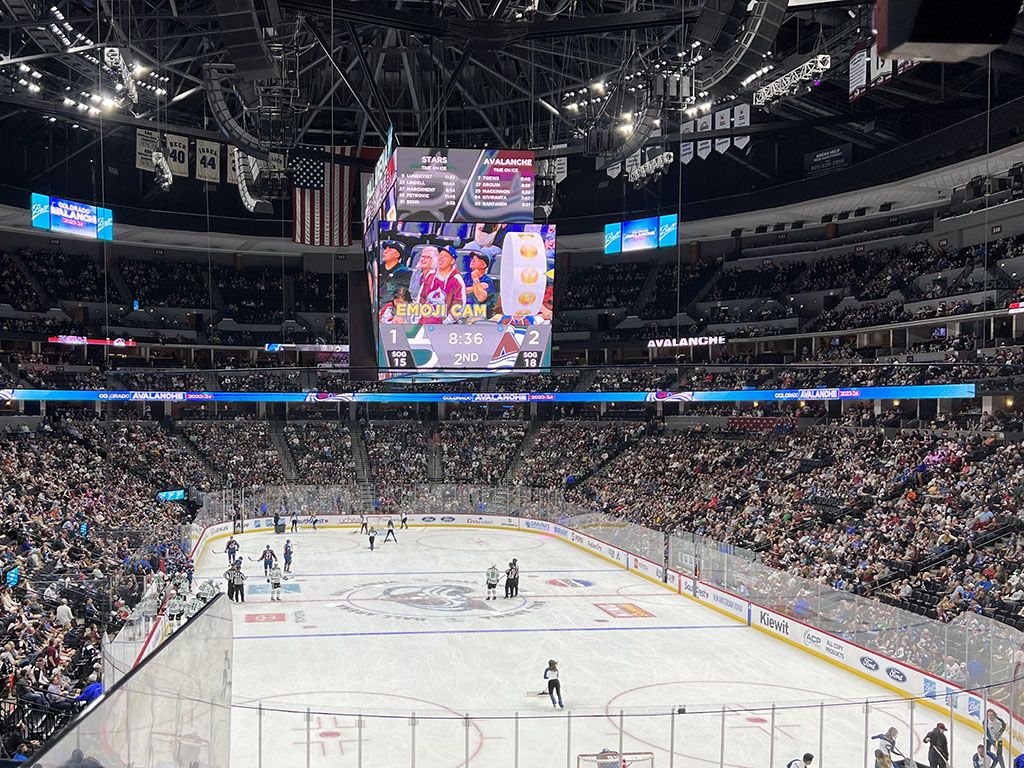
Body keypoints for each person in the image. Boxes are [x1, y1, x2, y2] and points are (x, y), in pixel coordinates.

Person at [417, 245, 466, 325]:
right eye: (440, 255)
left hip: (444, 325)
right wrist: (418, 317)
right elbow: (421, 297)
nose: (441, 258)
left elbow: (459, 304)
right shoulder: (430, 275)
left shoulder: (456, 279)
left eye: (445, 256)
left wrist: (446, 322)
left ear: (452, 261)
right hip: (425, 320)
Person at [464, 252, 496, 320]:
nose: (472, 261)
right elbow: (458, 292)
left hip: (479, 313)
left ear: (484, 265)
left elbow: (481, 297)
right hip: (462, 311)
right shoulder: (465, 277)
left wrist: (476, 279)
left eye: (476, 259)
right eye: (472, 259)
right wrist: (475, 287)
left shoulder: (488, 281)